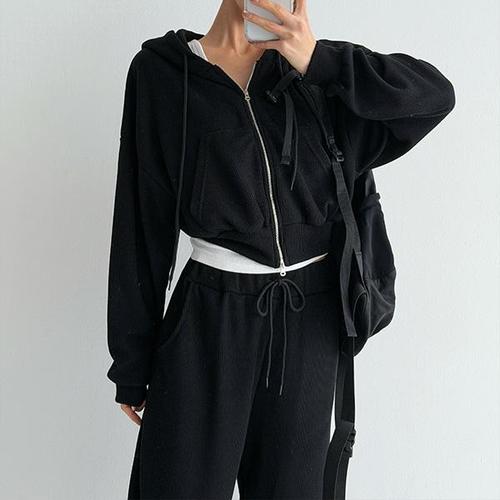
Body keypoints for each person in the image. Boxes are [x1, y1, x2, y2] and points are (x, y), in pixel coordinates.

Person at [106, 0, 455, 498]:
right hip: (210, 317)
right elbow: (141, 219)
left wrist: (320, 60)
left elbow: (435, 97)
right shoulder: (161, 74)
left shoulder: (314, 77)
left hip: (309, 321)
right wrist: (132, 361)